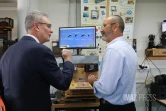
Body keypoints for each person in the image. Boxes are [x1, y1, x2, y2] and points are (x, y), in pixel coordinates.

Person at [0, 10, 74, 111]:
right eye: (48, 26)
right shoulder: (41, 50)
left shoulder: (8, 52)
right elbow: (63, 83)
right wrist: (68, 60)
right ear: (37, 26)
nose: (51, 30)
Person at [88, 15, 137, 111]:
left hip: (114, 107)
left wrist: (93, 82)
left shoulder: (113, 50)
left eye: (104, 26)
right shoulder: (128, 48)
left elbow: (106, 89)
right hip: (128, 106)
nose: (101, 30)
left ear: (115, 27)